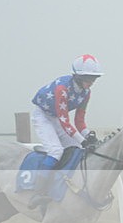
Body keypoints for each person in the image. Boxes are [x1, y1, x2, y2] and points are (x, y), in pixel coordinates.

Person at [28, 54, 104, 208]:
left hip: (56, 118)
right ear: (76, 76)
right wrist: (83, 140)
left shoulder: (86, 93)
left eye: (94, 78)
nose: (91, 82)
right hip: (43, 116)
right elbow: (65, 122)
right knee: (56, 151)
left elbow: (79, 121)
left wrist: (88, 136)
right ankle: (38, 193)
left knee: (76, 149)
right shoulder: (62, 89)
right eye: (88, 78)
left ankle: (63, 184)